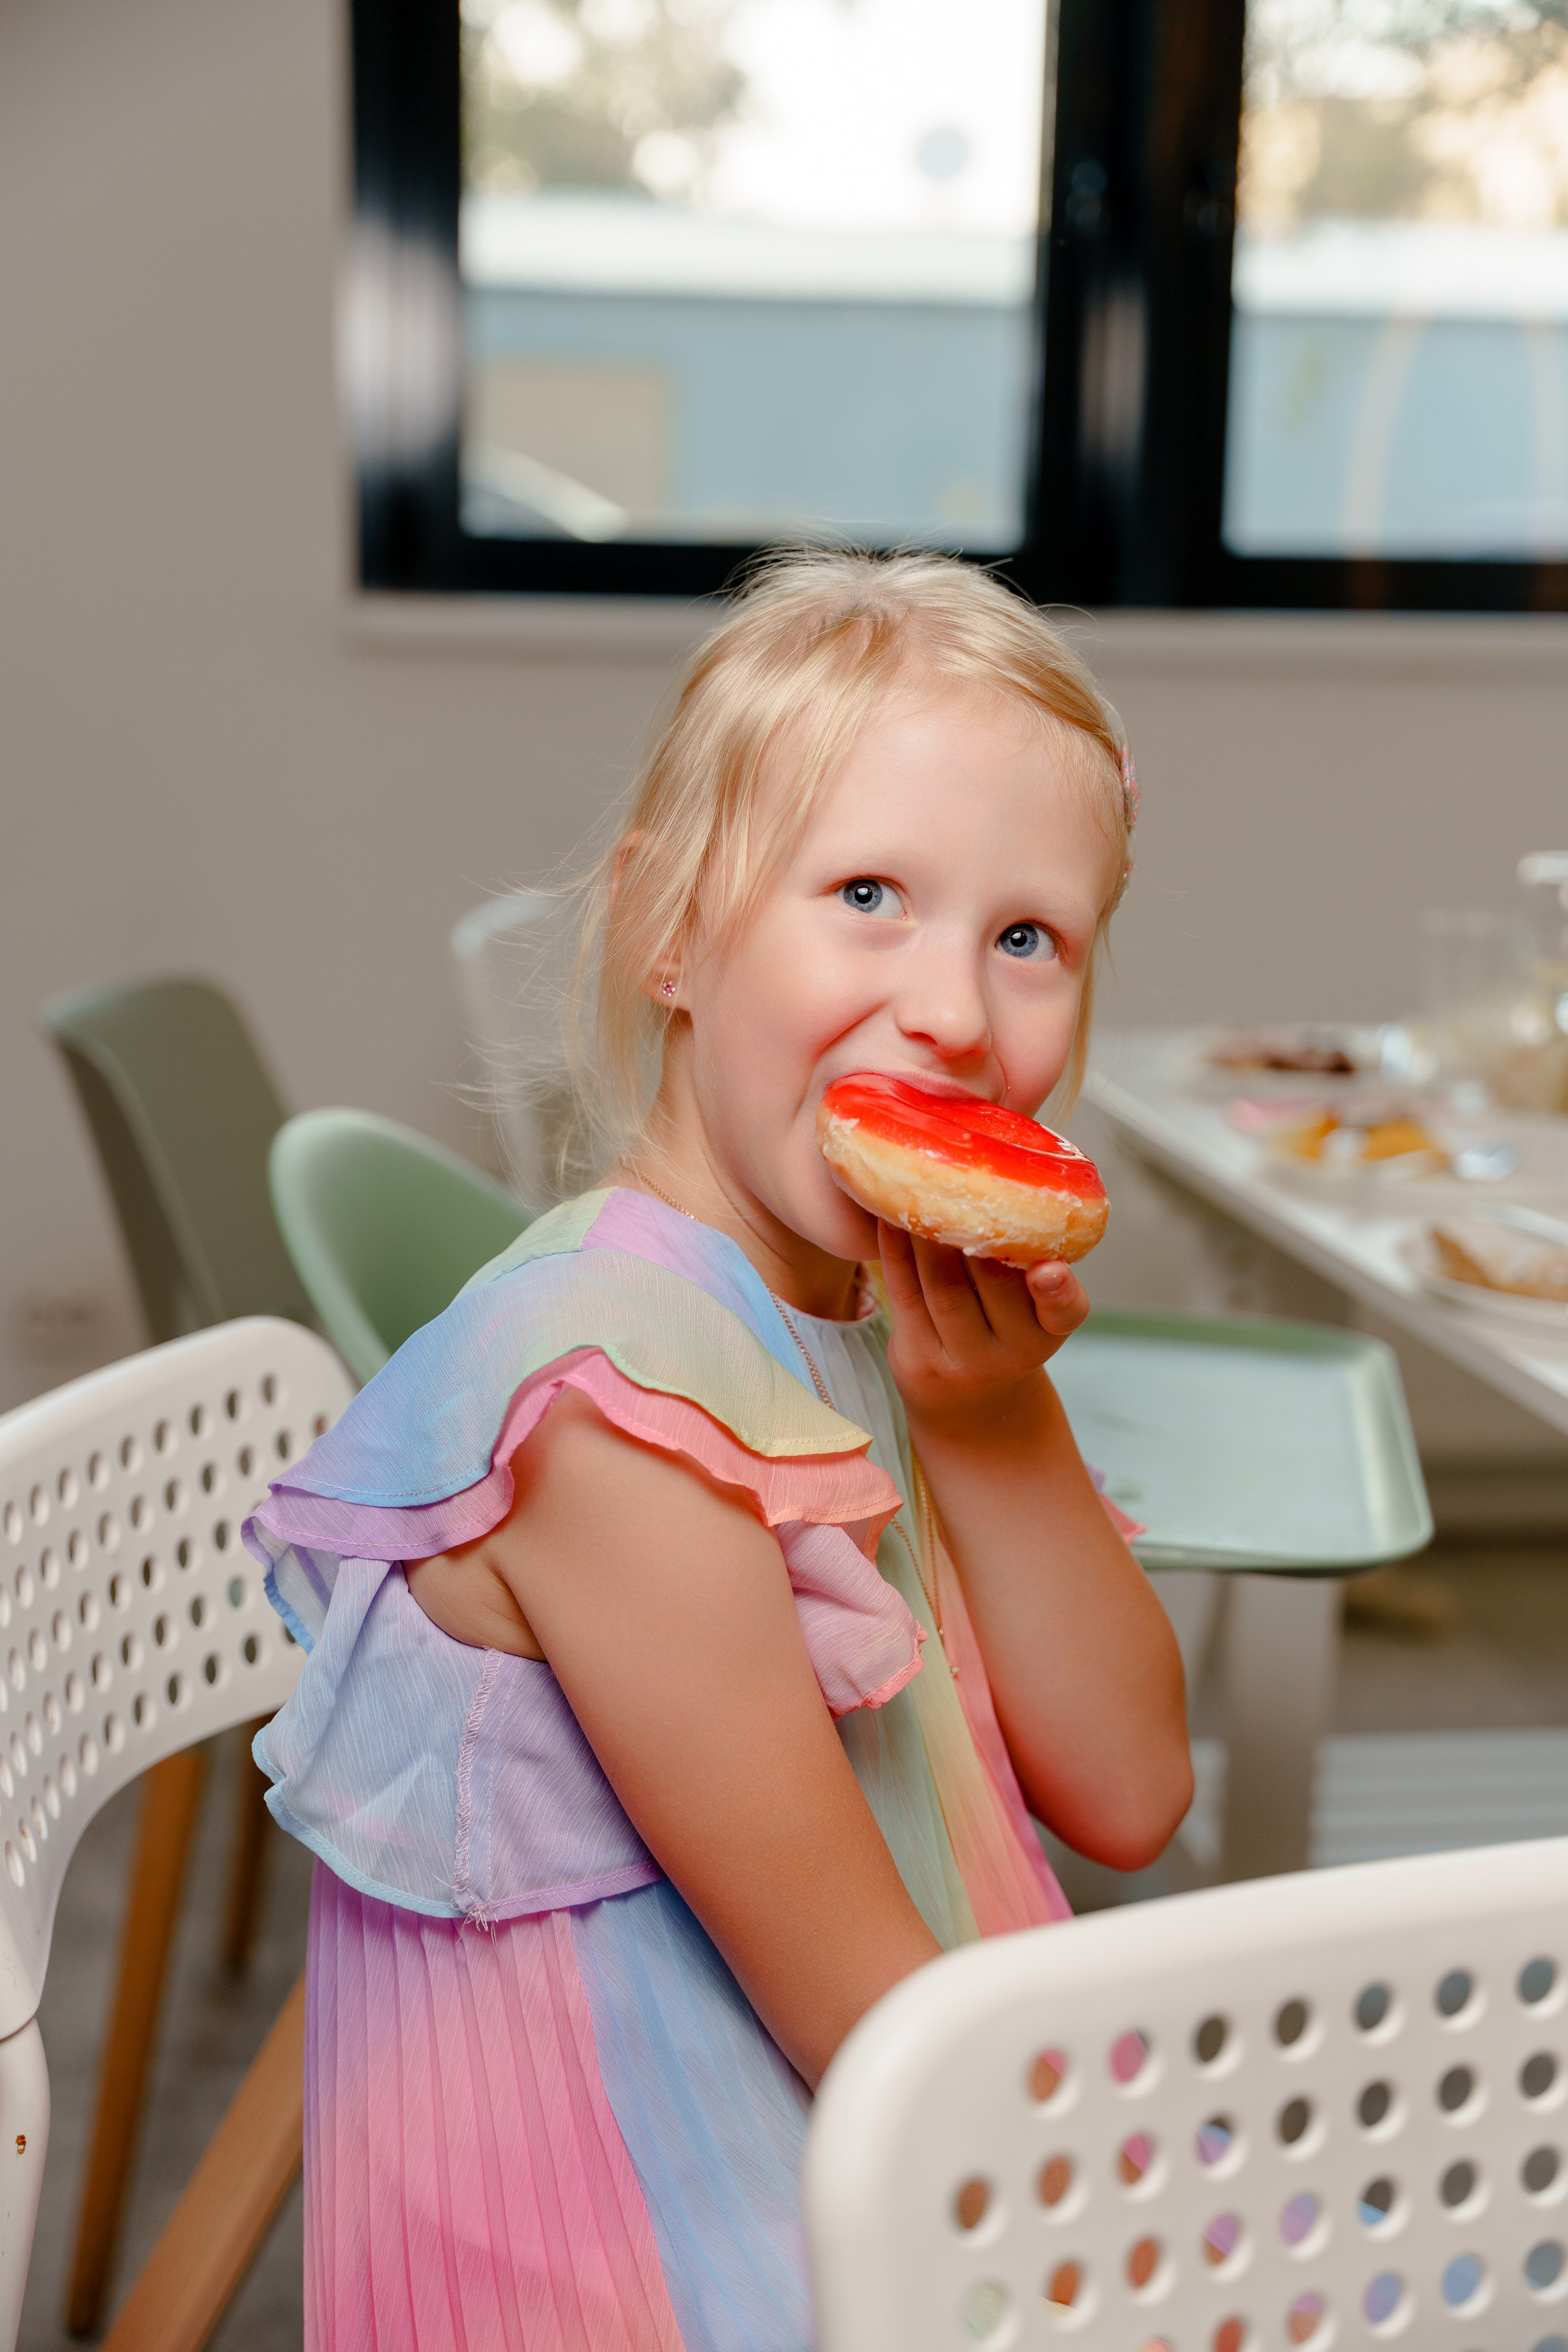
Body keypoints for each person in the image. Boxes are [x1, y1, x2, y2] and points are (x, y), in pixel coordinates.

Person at [244, 549, 1193, 2352]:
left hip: (910, 2117)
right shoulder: (612, 1405)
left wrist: (994, 1424)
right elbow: (873, 2033)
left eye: (1028, 938)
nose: (955, 1011)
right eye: (868, 896)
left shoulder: (877, 1328)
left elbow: (1134, 1791)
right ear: (670, 931)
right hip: (660, 2243)